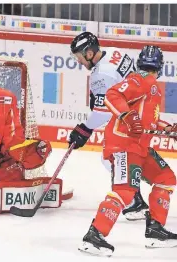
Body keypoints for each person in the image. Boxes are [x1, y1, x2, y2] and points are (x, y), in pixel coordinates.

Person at [78, 46, 177, 256]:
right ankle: (94, 236)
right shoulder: (138, 79)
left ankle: (155, 230)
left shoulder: (153, 87)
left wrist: (167, 128)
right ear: (161, 66)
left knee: (165, 178)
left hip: (140, 148)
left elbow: (148, 120)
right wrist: (126, 116)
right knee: (125, 190)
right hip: (123, 146)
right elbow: (112, 95)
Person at [69, 31, 148, 220]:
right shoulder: (113, 52)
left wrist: (84, 129)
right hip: (139, 109)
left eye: (79, 57)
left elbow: (104, 112)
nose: (79, 62)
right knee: (119, 157)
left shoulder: (101, 74)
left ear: (89, 53)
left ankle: (133, 200)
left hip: (128, 118)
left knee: (112, 158)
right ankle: (134, 196)